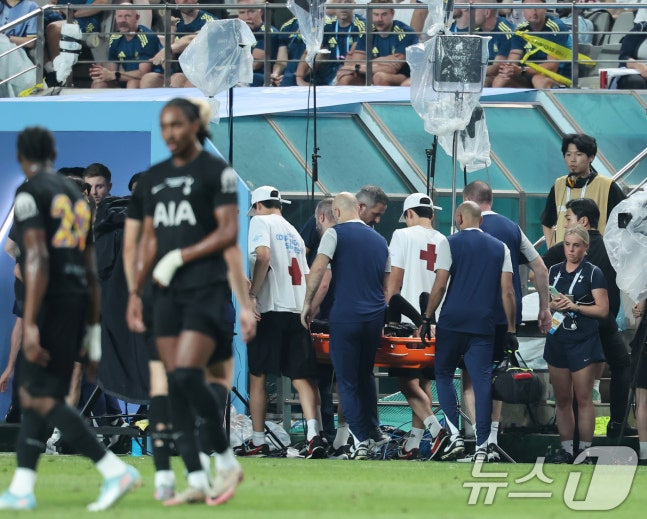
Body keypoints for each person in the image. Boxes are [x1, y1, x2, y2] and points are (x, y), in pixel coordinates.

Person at [0, 126, 140, 511]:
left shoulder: (32, 194)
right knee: (41, 394)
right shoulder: (80, 203)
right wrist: (92, 328)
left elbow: (34, 259)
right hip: (77, 304)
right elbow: (89, 264)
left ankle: (112, 470)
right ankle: (25, 486)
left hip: (50, 303)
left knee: (40, 392)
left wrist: (30, 322)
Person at [128, 98, 244, 505]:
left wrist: (180, 257)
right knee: (173, 387)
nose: (170, 134)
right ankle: (196, 478)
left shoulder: (217, 172)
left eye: (176, 124)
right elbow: (148, 239)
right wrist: (135, 291)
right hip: (163, 294)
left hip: (204, 288)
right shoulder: (156, 177)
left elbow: (228, 232)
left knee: (185, 375)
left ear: (194, 125)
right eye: (164, 126)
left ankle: (225, 460)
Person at [421, 201, 518, 463]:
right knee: (482, 381)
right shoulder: (501, 248)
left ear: (459, 218)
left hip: (451, 322)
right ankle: (483, 445)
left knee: (443, 374)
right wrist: (511, 328)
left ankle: (453, 434)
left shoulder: (449, 243)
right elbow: (508, 291)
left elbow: (440, 285)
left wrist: (427, 317)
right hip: (483, 325)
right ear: (481, 221)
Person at [461, 180, 551, 460]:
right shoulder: (512, 228)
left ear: (467, 201)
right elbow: (541, 268)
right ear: (491, 199)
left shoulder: (466, 227)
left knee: (471, 378)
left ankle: (479, 443)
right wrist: (544, 308)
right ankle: (492, 441)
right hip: (506, 315)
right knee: (497, 375)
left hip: (472, 314)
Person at [302, 192, 390, 460]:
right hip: (374, 318)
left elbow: (318, 269)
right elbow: (387, 285)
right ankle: (373, 430)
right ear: (358, 209)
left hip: (346, 317)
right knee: (365, 376)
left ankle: (359, 439)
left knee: (346, 381)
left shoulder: (334, 234)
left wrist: (307, 304)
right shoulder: (380, 240)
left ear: (337, 212)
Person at [241, 186, 325, 459]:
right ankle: (313, 435)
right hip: (296, 310)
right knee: (302, 378)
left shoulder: (260, 222)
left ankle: (257, 440)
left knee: (258, 376)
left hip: (270, 309)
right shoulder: (294, 233)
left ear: (257, 206)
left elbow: (263, 256)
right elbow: (307, 274)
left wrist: (252, 294)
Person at [543, 197, 634, 437]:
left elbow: (537, 271)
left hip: (583, 324)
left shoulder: (567, 251)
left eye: (568, 218)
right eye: (568, 245)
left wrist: (556, 300)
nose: (565, 224)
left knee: (578, 392)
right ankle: (617, 423)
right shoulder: (612, 246)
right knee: (620, 366)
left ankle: (579, 440)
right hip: (600, 323)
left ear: (583, 221)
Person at [385, 193, 455, 461]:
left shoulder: (402, 236)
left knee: (406, 382)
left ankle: (436, 430)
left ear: (409, 214)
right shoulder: (444, 240)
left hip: (409, 323)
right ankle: (413, 444)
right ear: (432, 215)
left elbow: (395, 282)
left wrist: (388, 316)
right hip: (437, 322)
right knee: (424, 382)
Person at [544, 225, 608, 464]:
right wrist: (552, 305)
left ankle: (585, 452)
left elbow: (602, 310)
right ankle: (567, 450)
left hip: (583, 340)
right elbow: (544, 302)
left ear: (585, 248)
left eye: (576, 246)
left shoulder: (593, 273)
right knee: (562, 399)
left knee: (583, 398)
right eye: (568, 245)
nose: (571, 250)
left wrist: (576, 307)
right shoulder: (554, 271)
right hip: (557, 338)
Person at [541, 133, 626, 248]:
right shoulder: (559, 185)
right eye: (568, 154)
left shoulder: (607, 186)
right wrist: (553, 250)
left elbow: (625, 222)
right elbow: (547, 222)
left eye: (579, 154)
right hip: (565, 257)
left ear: (591, 157)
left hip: (596, 255)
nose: (572, 159)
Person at [492, 0, 573, 89]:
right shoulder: (520, 30)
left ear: (545, 8)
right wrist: (509, 68)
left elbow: (552, 67)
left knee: (538, 80)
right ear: (523, 10)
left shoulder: (556, 28)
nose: (533, 12)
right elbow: (514, 55)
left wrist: (522, 70)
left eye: (538, 7)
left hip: (558, 75)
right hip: (528, 73)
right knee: (500, 80)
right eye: (529, 7)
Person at [335, 0, 418, 86]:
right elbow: (356, 62)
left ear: (392, 14)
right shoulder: (367, 31)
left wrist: (356, 67)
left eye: (384, 14)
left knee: (380, 77)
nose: (379, 19)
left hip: (404, 75)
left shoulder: (404, 32)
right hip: (370, 72)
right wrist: (381, 60)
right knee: (345, 78)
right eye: (376, 14)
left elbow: (391, 69)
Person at [141, 0, 216, 88]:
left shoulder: (209, 20)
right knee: (148, 80)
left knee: (177, 80)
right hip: (180, 72)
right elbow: (167, 65)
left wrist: (168, 49)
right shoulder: (176, 24)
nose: (184, 0)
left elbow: (193, 38)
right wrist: (172, 31)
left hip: (203, 72)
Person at [294, 0, 366, 86]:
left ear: (354, 5)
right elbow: (309, 51)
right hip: (331, 70)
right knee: (292, 78)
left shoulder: (361, 26)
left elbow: (354, 57)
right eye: (339, 2)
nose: (343, 6)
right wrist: (299, 79)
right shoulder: (328, 26)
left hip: (351, 70)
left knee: (345, 78)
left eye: (347, 2)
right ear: (334, 5)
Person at [89, 4, 163, 89]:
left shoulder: (147, 37)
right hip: (125, 78)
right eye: (120, 16)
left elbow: (143, 72)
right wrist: (102, 73)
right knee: (98, 83)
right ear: (115, 18)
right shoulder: (115, 38)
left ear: (137, 18)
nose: (123, 20)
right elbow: (111, 70)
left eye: (127, 16)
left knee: (132, 84)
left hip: (150, 79)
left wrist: (114, 75)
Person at [473, 0, 514, 87]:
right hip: (482, 73)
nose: (470, 13)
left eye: (474, 9)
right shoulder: (475, 32)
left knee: (483, 82)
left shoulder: (505, 32)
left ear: (487, 13)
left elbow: (497, 67)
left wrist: (471, 71)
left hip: (506, 77)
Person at [237, 0, 279, 87]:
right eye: (242, 12)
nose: (247, 17)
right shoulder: (236, 33)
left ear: (261, 12)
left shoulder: (267, 31)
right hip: (240, 75)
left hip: (259, 77)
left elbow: (255, 63)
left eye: (251, 12)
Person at [631, 299, 647, 464]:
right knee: (642, 400)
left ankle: (644, 453)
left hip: (643, 345)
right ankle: (644, 453)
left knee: (642, 401)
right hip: (643, 346)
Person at [616, 21, 647, 90]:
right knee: (636, 81)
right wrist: (639, 66)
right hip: (635, 72)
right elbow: (623, 57)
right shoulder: (640, 29)